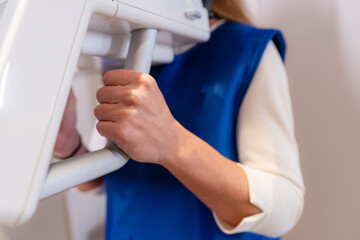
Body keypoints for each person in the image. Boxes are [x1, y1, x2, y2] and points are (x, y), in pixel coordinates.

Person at [54, 0, 305, 239]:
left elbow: (284, 208)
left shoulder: (246, 50)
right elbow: (111, 181)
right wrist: (70, 146)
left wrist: (173, 143)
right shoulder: (127, 49)